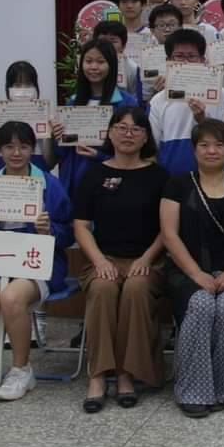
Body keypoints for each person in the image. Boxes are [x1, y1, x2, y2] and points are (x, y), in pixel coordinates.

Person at [0, 122, 72, 401]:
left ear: (33, 149)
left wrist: (49, 230)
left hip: (37, 263)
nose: (16, 153)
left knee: (11, 298)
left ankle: (22, 369)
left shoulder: (49, 184)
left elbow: (69, 232)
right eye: (9, 146)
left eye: (23, 146)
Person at [160, 119, 224, 418]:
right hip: (187, 271)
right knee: (202, 305)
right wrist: (196, 274)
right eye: (204, 145)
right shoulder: (177, 184)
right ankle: (192, 391)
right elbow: (169, 235)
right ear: (194, 149)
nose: (211, 151)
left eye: (219, 145)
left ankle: (219, 388)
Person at [73, 107, 169, 413]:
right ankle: (98, 375)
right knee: (102, 288)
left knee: (136, 289)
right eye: (121, 127)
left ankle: (127, 373)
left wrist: (147, 258)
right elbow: (81, 225)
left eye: (136, 129)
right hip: (104, 259)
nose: (128, 134)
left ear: (146, 137)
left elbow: (168, 228)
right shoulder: (94, 174)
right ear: (110, 133)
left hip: (148, 261)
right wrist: (100, 262)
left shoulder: (159, 176)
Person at [51, 38, 138, 199]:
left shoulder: (126, 103)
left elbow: (134, 150)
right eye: (89, 61)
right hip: (75, 181)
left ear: (111, 65)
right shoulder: (73, 103)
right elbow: (62, 153)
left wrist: (99, 156)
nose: (94, 67)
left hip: (112, 180)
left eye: (100, 61)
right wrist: (57, 137)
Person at [149, 29, 224, 175]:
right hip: (171, 176)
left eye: (192, 56)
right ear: (168, 61)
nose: (185, 62)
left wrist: (203, 120)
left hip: (213, 175)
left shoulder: (221, 95)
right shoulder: (158, 100)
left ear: (203, 60)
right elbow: (152, 145)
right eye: (179, 56)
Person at [0, 61, 55, 173]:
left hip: (38, 180)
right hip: (6, 182)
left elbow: (50, 163)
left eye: (28, 84)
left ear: (36, 88)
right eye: (17, 85)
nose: (23, 90)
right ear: (8, 89)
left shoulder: (46, 118)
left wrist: (48, 135)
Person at [93, 21, 143, 101]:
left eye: (113, 41)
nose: (107, 45)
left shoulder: (133, 69)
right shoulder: (89, 65)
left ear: (123, 46)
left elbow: (135, 97)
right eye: (103, 41)